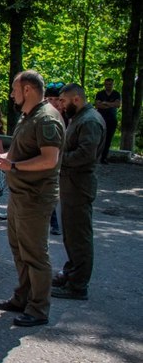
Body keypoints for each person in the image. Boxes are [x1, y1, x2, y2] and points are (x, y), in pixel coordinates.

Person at [0, 70, 64, 327]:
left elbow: (49, 159)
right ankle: (23, 296)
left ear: (27, 90)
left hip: (35, 197)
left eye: (14, 89)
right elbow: (22, 151)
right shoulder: (28, 116)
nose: (11, 94)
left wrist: (14, 167)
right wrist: (6, 158)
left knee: (35, 253)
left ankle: (39, 308)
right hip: (20, 194)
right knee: (19, 249)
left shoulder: (47, 119)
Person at [52, 83, 105, 300]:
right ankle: (72, 272)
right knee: (71, 235)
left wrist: (56, 160)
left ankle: (78, 285)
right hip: (72, 184)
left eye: (63, 101)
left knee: (79, 237)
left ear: (76, 99)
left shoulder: (90, 120)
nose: (61, 106)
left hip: (79, 184)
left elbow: (85, 154)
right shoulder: (81, 117)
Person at [44, 85, 64, 235]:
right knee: (49, 191)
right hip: (50, 164)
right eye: (50, 99)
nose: (53, 102)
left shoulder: (69, 117)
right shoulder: (45, 117)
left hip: (65, 162)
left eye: (57, 99)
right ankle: (54, 222)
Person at [94, 77, 120, 164]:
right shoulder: (100, 94)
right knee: (98, 138)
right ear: (104, 84)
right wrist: (111, 105)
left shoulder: (116, 94)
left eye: (110, 84)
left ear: (113, 85)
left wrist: (105, 103)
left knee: (108, 139)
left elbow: (118, 104)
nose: (108, 86)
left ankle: (103, 158)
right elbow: (97, 105)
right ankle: (95, 156)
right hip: (100, 119)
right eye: (107, 84)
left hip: (112, 119)